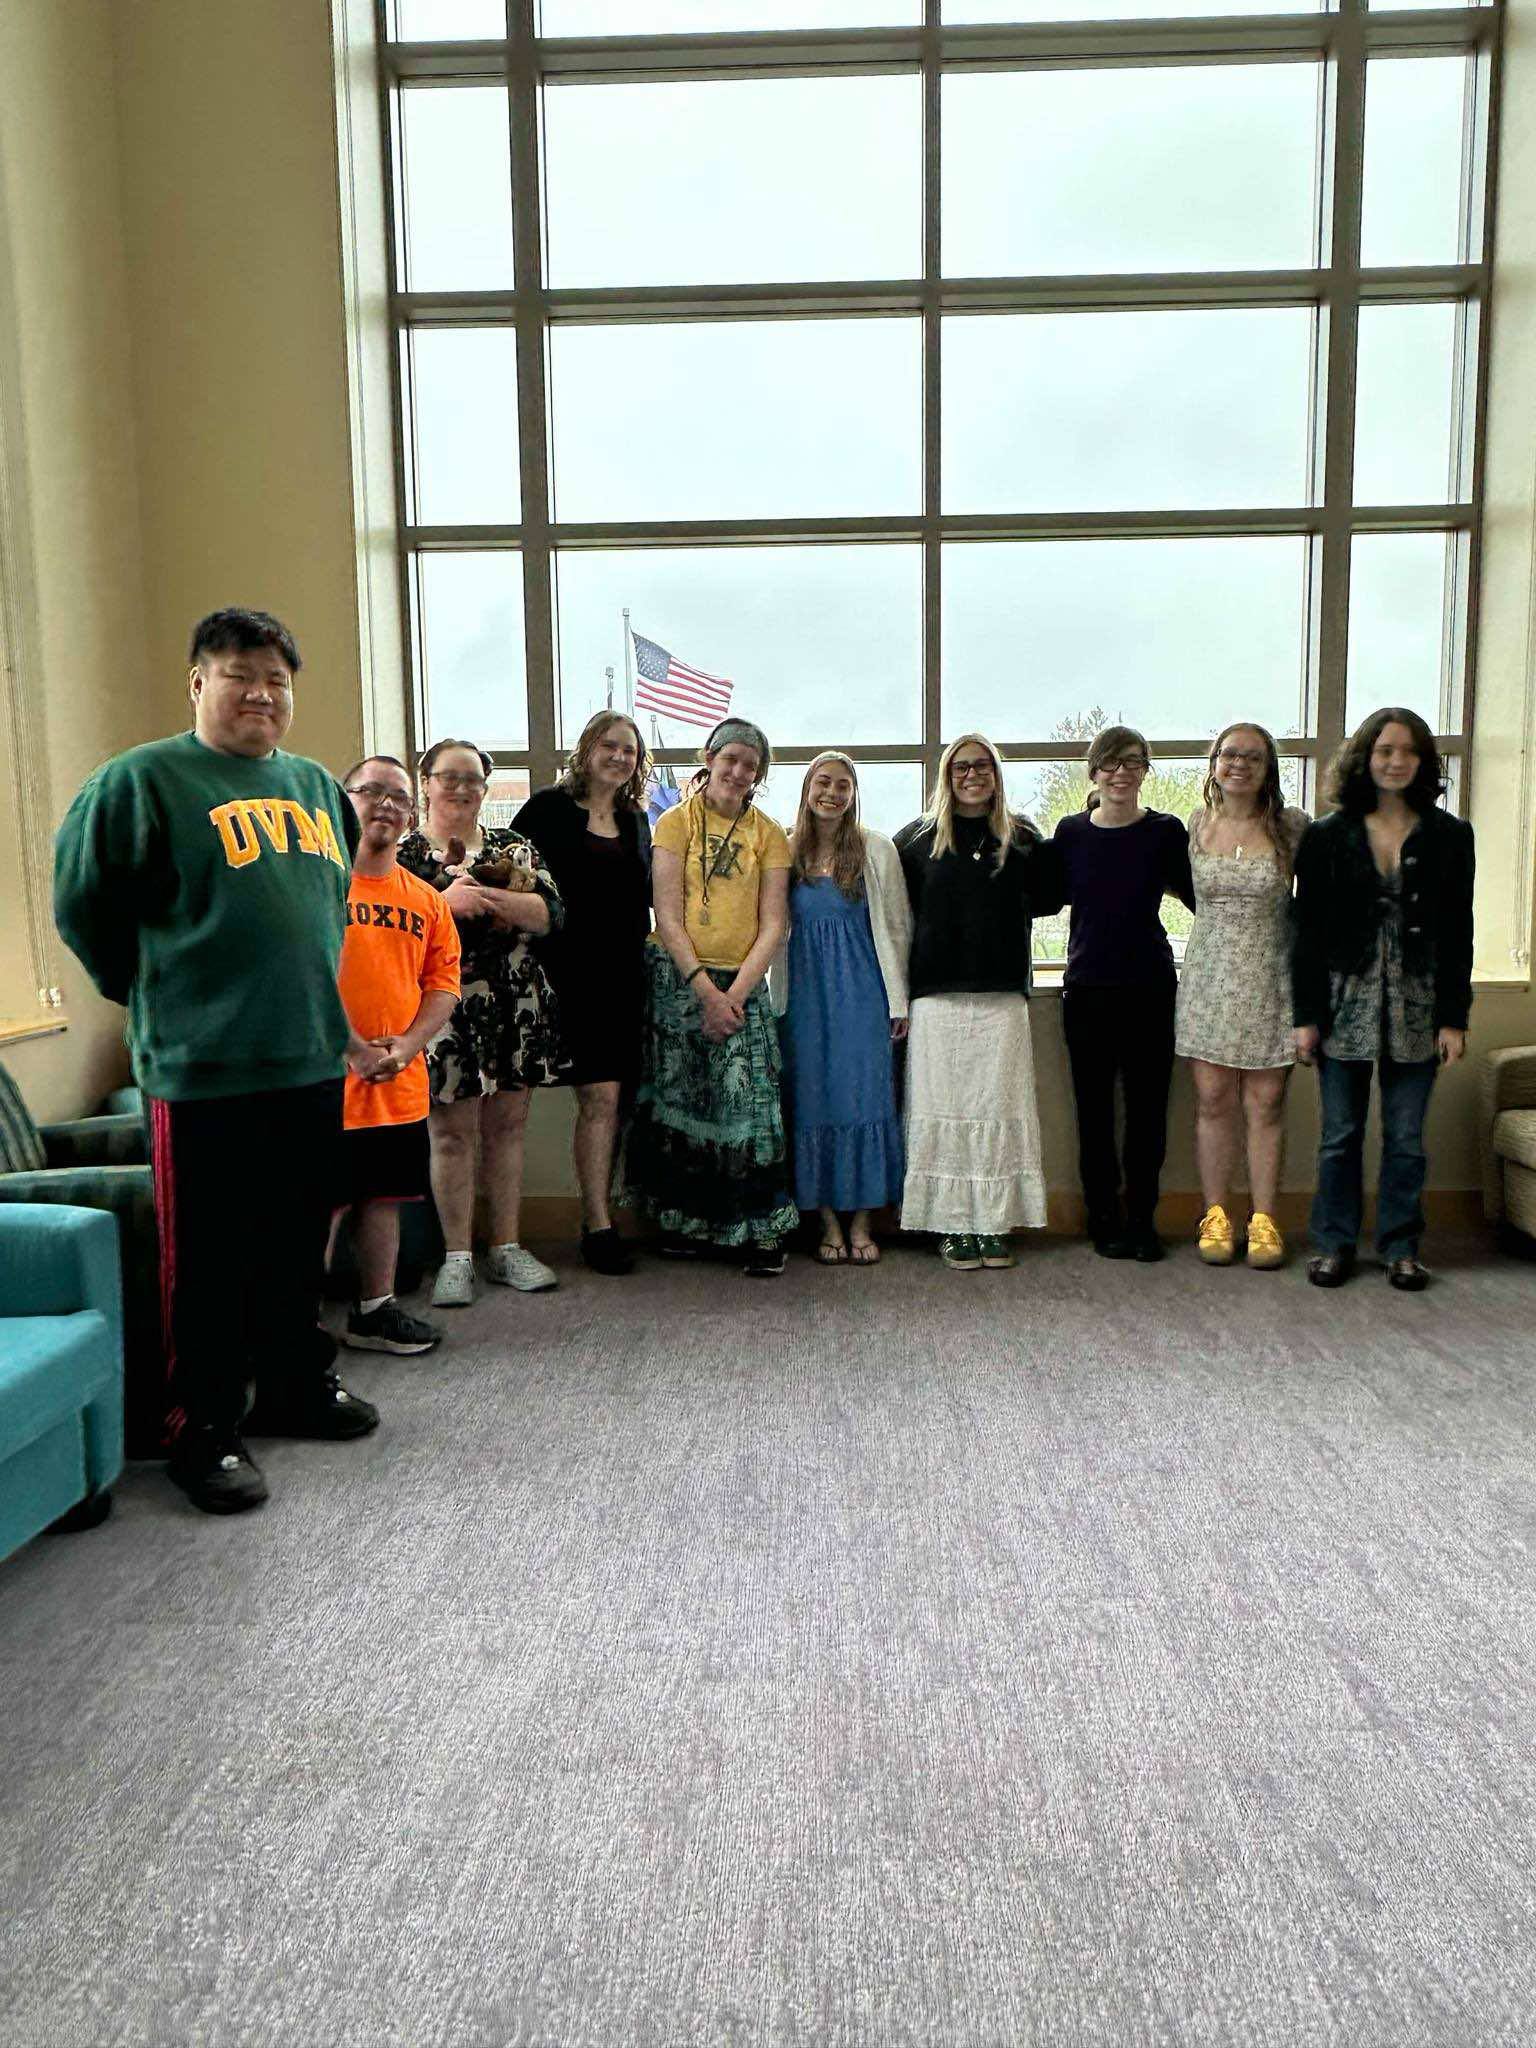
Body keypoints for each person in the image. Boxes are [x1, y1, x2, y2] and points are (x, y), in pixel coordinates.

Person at [53, 607, 382, 1516]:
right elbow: (84, 907)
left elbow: (325, 911)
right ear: (199, 682)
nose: (262, 694)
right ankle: (199, 1425)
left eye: (277, 680)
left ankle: (292, 1385)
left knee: (294, 1244)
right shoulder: (140, 781)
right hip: (202, 1070)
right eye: (241, 675)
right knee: (205, 1262)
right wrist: (154, 993)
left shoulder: (315, 787)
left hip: (307, 1059)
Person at [1293, 707, 1474, 1292]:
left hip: (1419, 999)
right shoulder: (1325, 835)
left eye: (1409, 751)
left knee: (1405, 1137)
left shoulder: (1450, 835)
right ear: (1365, 757)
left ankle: (1401, 1249)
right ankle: (1334, 1244)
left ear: (1424, 761)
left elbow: (1459, 933)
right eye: (1385, 750)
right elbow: (1307, 934)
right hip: (1344, 999)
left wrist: (1454, 1018)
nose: (1396, 761)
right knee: (1340, 1134)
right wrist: (1306, 1017)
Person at [624, 717, 797, 1275]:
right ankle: (692, 1227)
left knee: (750, 1106)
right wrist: (704, 990)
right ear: (710, 758)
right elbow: (668, 916)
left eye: (750, 766)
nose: (738, 772)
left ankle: (761, 1232)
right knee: (684, 1103)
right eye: (731, 759)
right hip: (678, 978)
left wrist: (734, 997)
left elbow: (774, 925)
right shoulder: (673, 823)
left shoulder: (769, 834)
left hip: (742, 983)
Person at [397, 739, 567, 1306]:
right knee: (449, 1134)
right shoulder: (403, 855)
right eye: (450, 777)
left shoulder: (512, 847)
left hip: (515, 1005)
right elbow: (394, 928)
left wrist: (483, 898)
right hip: (441, 1007)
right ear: (426, 783)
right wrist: (446, 901)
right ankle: (456, 1256)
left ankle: (506, 1246)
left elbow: (548, 913)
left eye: (473, 779)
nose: (462, 789)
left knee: (508, 1129)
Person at [894, 733, 1053, 1272]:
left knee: (997, 1109)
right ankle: (952, 1223)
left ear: (996, 773)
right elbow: (895, 912)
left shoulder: (1023, 837)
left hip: (1002, 998)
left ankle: (992, 1223)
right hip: (936, 998)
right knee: (943, 1110)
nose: (972, 775)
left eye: (982, 766)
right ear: (946, 774)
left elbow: (1051, 897)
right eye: (961, 767)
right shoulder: (916, 839)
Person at [513, 713, 652, 1276]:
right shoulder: (547, 809)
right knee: (528, 1106)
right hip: (558, 978)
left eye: (629, 750)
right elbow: (513, 874)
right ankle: (510, 1236)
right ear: (587, 748)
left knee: (606, 1102)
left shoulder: (635, 819)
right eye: (610, 745)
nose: (620, 757)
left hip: (621, 979)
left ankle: (598, 1224)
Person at [1052, 724, 1197, 1262]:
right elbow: (1041, 893)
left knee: (1147, 1115)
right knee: (1093, 1115)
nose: (1121, 772)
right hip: (1087, 990)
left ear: (1145, 771)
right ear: (1094, 771)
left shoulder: (1165, 831)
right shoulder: (1070, 833)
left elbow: (1202, 898)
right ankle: (1103, 1220)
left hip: (1150, 989)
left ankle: (1141, 1222)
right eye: (1111, 763)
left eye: (1133, 762)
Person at [333, 755, 462, 1353]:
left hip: (396, 1081)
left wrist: (408, 1045)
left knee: (383, 1198)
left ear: (412, 815)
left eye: (400, 798)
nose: (386, 805)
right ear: (344, 802)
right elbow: (299, 977)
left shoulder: (427, 901)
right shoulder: (320, 888)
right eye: (372, 792)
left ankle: (374, 1311)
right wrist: (351, 1048)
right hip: (325, 1079)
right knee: (320, 1206)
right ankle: (297, 1335)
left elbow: (443, 985)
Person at [1176, 724, 1310, 1270]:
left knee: (1266, 1103)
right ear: (1214, 763)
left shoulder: (1293, 827)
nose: (1240, 765)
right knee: (1212, 1100)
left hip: (1271, 980)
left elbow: (1316, 907)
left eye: (1253, 757)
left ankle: (1264, 1218)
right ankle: (1215, 1214)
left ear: (1268, 768)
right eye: (1230, 754)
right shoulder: (1195, 824)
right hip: (1208, 980)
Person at [773, 753, 909, 1265]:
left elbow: (897, 928)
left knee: (865, 1101)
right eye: (823, 782)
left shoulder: (876, 849)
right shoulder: (785, 850)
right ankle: (827, 1221)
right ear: (807, 788)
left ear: (854, 794)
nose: (832, 793)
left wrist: (898, 1000)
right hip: (804, 998)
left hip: (864, 996)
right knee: (812, 1102)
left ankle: (862, 1221)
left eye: (843, 785)